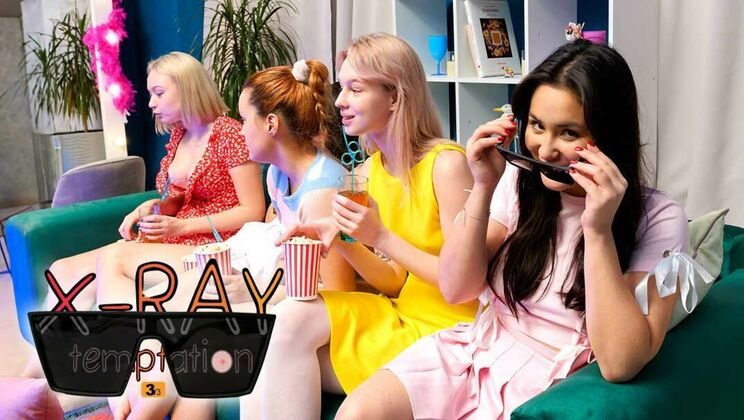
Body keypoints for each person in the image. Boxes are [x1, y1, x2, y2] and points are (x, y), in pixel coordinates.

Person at [335, 39, 689, 419]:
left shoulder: (660, 217)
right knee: (358, 412)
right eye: (537, 126)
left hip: (549, 383)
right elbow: (457, 288)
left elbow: (620, 363)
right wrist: (483, 187)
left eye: (569, 133)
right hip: (477, 350)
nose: (545, 150)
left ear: (610, 135)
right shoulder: (519, 185)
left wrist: (598, 229)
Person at [102, 59, 358, 420]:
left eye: (244, 119)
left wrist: (252, 291)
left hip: (305, 317)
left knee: (185, 346)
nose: (239, 130)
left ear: (271, 124)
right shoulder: (278, 178)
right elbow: (271, 243)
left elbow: (337, 293)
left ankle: (136, 400)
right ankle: (133, 391)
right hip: (269, 293)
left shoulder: (322, 191)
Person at [245, 33, 479, 419]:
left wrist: (379, 236)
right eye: (342, 88)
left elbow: (464, 285)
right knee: (284, 317)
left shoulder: (447, 165)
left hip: (451, 329)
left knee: (277, 348)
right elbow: (394, 281)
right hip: (399, 313)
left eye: (355, 89)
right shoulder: (368, 172)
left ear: (394, 96)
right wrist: (342, 240)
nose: (339, 101)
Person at [37, 51, 266, 314]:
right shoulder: (180, 134)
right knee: (62, 269)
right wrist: (152, 207)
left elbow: (253, 210)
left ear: (188, 88)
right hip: (174, 237)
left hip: (214, 245)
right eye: (150, 94)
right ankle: (59, 339)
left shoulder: (230, 134)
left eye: (159, 93)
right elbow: (184, 199)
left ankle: (118, 334)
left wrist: (182, 226)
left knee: (109, 261)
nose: (151, 103)